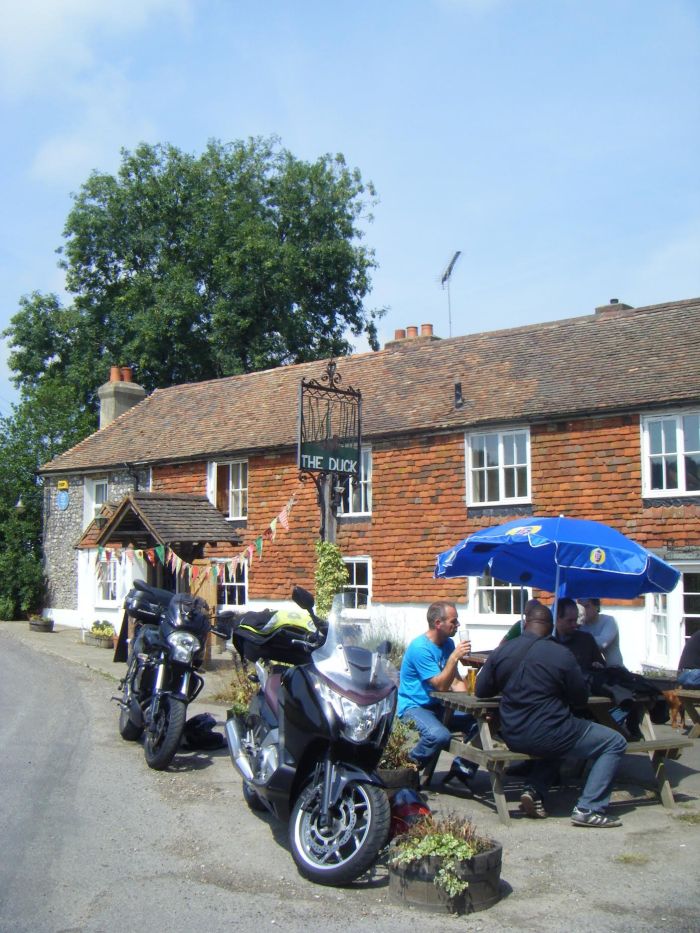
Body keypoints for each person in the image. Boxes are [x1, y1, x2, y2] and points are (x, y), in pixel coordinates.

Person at [475, 602, 627, 827]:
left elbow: (481, 690)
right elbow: (579, 698)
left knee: (556, 743)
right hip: (552, 731)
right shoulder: (561, 654)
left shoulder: (502, 651)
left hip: (512, 733)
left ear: (526, 623)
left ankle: (534, 790)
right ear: (551, 625)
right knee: (615, 741)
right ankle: (589, 808)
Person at [397, 601, 478, 784]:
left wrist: (473, 705)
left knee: (479, 724)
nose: (458, 625)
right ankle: (405, 769)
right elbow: (440, 686)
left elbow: (455, 681)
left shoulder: (448, 644)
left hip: (439, 706)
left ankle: (461, 771)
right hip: (415, 707)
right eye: (453, 621)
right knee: (438, 735)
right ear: (438, 623)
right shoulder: (420, 648)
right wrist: (454, 657)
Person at [554, 598, 606, 673]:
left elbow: (601, 665)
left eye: (575, 620)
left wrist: (598, 667)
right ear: (557, 618)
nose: (574, 625)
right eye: (569, 621)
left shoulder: (586, 640)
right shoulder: (547, 641)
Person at [577, 598, 624, 667]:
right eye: (580, 607)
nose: (582, 611)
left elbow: (602, 643)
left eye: (586, 606)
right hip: (591, 670)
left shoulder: (609, 620)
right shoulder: (578, 625)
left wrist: (580, 639)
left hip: (615, 669)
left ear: (597, 606)